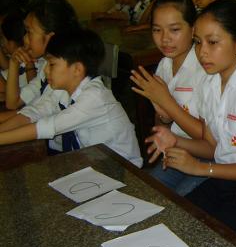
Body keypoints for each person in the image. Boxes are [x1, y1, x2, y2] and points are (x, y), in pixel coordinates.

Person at [145, 0, 236, 232]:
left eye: (213, 42)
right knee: (176, 223)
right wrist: (175, 140)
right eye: (197, 42)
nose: (202, 52)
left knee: (211, 237)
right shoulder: (209, 85)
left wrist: (200, 168)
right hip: (220, 178)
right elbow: (212, 146)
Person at [0, 29, 143, 167]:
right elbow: (33, 113)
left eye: (52, 64)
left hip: (123, 170)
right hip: (93, 162)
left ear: (77, 69)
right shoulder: (62, 90)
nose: (45, 70)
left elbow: (48, 127)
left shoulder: (94, 97)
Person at [130, 0, 208, 195]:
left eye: (174, 30)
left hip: (209, 157)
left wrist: (166, 101)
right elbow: (163, 124)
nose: (164, 39)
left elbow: (209, 139)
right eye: (157, 30)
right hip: (177, 153)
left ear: (193, 29)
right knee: (148, 194)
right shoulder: (164, 65)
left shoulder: (205, 68)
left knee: (178, 205)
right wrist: (163, 117)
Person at [2, 0, 78, 114]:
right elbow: (12, 103)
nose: (24, 38)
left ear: (50, 38)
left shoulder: (64, 75)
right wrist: (13, 63)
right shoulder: (46, 66)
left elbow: (34, 121)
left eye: (29, 32)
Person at [0, 11, 35, 95]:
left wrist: (29, 64)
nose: (1, 43)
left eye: (1, 38)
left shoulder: (34, 62)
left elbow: (5, 89)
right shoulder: (20, 59)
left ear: (11, 42)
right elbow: (7, 68)